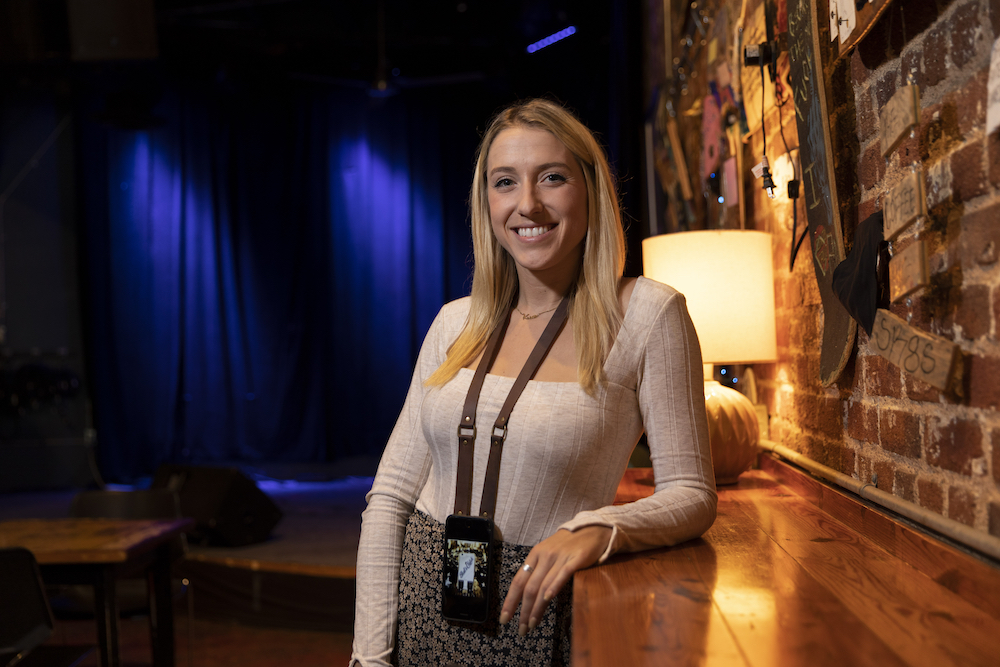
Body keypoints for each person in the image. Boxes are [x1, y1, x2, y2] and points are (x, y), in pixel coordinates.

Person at [350, 98, 716, 666]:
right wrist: (369, 656)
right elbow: (391, 497)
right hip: (422, 611)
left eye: (552, 177)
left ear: (589, 189)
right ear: (486, 202)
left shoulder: (650, 315)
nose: (528, 204)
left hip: (538, 615)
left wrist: (601, 528)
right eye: (504, 183)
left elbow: (692, 494)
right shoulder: (455, 322)